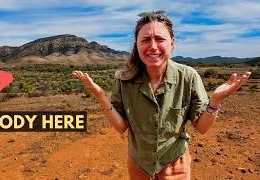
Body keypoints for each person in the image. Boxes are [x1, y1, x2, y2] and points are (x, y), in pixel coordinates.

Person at [73, 10, 251, 180]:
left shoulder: (188, 77)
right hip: (139, 164)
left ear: (172, 42)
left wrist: (215, 101)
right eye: (145, 40)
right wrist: (100, 96)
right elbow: (121, 127)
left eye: (159, 39)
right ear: (137, 44)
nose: (153, 46)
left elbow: (202, 127)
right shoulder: (123, 80)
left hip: (176, 164)